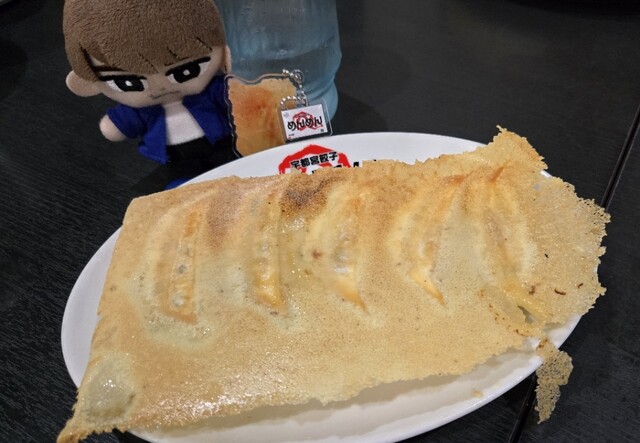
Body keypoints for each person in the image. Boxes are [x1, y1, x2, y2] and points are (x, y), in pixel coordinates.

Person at [62, 0, 237, 187]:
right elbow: (115, 127)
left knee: (234, 167)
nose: (161, 87)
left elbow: (236, 96)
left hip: (223, 145)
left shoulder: (210, 92)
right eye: (128, 82)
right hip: (178, 157)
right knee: (185, 183)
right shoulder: (141, 112)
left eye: (187, 70)